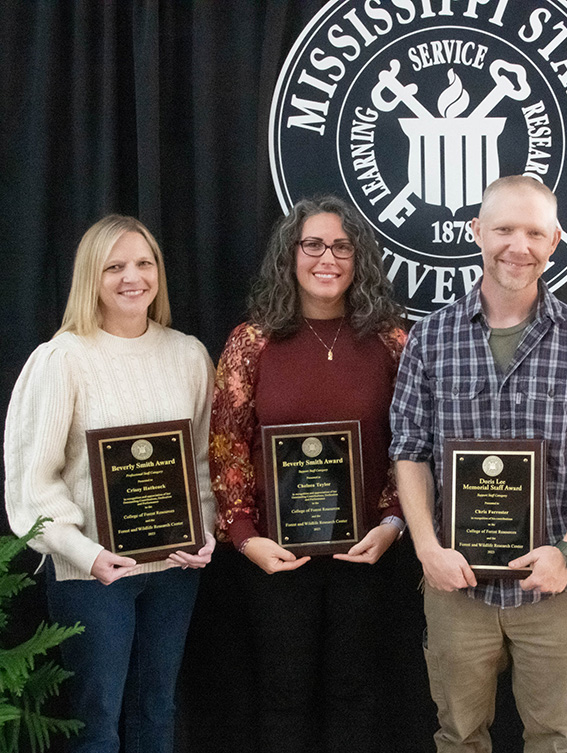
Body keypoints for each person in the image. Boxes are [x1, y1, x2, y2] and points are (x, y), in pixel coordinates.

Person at [390, 175, 567, 753]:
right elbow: (408, 451)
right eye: (503, 229)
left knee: (553, 737)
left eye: (534, 233)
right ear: (475, 232)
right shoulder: (430, 338)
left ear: (554, 242)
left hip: (554, 588)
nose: (517, 246)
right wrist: (426, 550)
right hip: (456, 587)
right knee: (458, 736)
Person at [4, 215, 216, 753]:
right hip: (92, 577)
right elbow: (33, 484)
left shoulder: (188, 354)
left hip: (174, 569)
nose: (132, 277)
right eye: (114, 266)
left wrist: (206, 530)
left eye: (144, 263)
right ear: (90, 278)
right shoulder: (61, 360)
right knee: (96, 722)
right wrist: (85, 552)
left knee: (157, 709)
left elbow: (201, 464)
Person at [209, 195, 407, 753]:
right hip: (276, 556)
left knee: (356, 692)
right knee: (283, 695)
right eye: (313, 244)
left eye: (342, 247)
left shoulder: (392, 341)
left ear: (359, 258)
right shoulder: (251, 343)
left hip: (365, 550)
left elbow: (410, 445)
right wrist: (246, 539)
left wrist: (393, 521)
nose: (328, 258)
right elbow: (226, 448)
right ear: (289, 255)